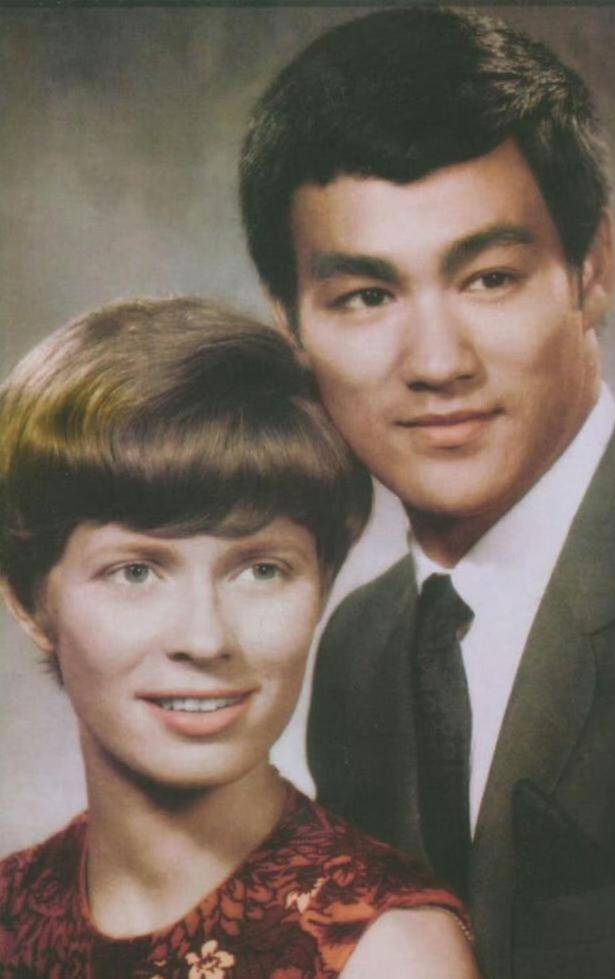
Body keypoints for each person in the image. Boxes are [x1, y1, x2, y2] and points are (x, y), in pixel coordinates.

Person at [239, 8, 615, 979]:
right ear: (290, 325)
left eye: (488, 278)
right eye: (367, 297)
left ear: (590, 270)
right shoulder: (358, 649)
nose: (436, 363)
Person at [0, 296, 480, 979]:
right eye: (136, 571)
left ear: (321, 586)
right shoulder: (11, 907)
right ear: (28, 599)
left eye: (261, 570)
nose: (205, 639)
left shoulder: (387, 951)